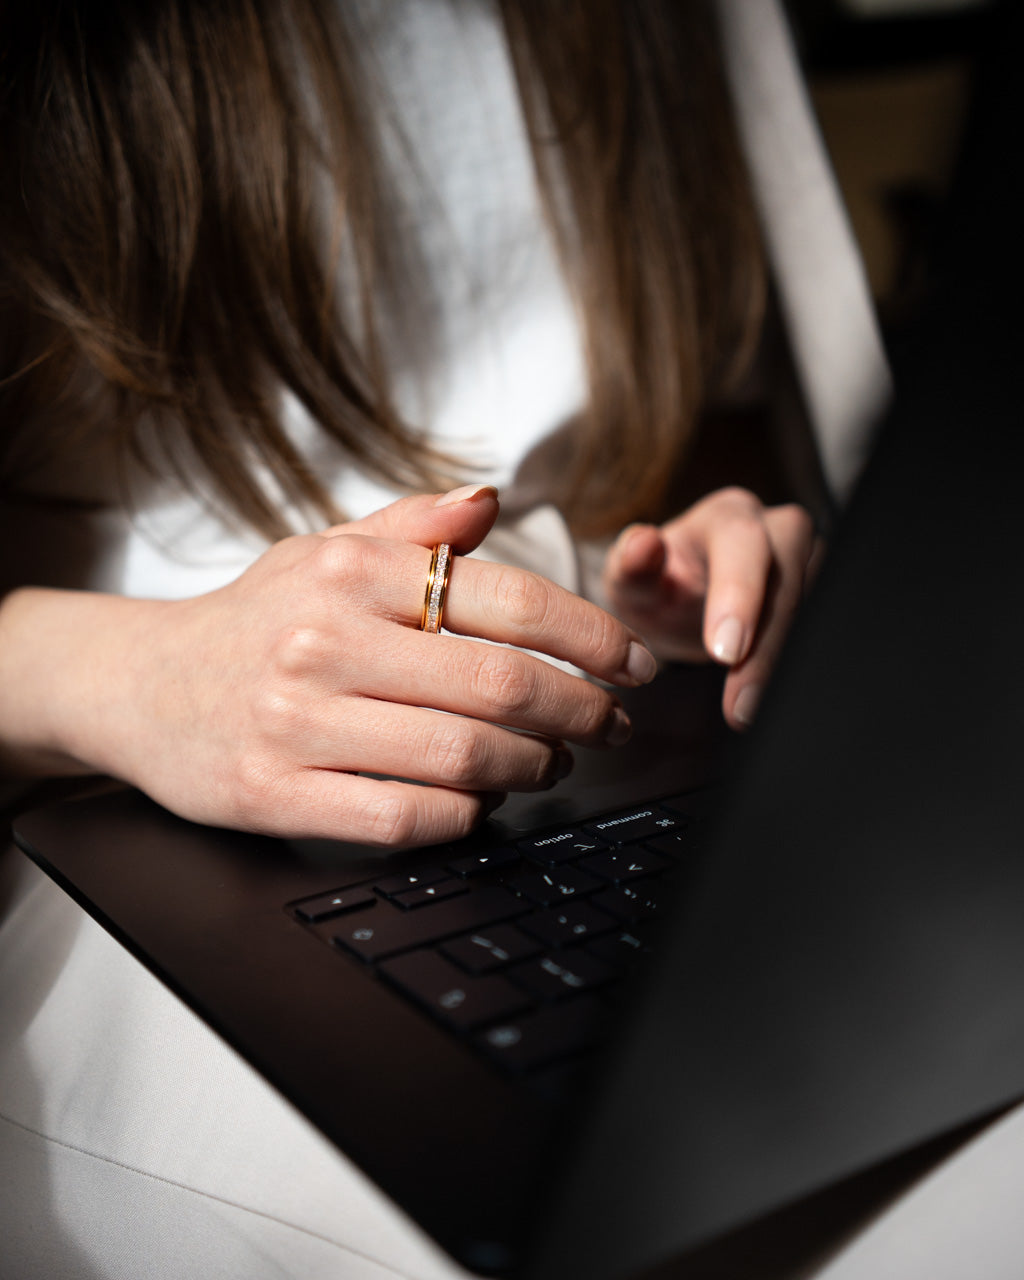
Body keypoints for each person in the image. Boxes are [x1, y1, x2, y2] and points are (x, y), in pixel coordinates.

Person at [0, 0, 882, 1276]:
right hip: (119, 797)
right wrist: (137, 672)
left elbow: (721, 399)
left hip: (625, 727)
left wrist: (684, 555)